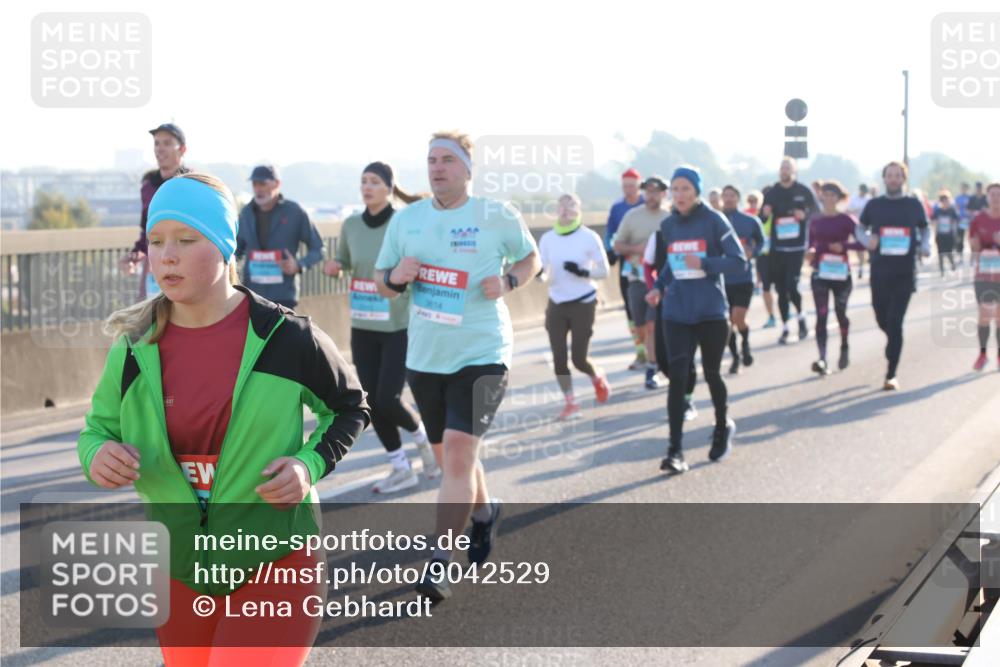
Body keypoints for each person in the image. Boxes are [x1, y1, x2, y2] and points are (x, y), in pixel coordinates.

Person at [79, 172, 371, 666]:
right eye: (155, 240)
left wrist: (308, 466)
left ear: (223, 246)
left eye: (186, 240)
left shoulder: (287, 336)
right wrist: (98, 456)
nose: (166, 255)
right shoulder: (133, 346)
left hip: (275, 560)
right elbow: (96, 432)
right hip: (179, 569)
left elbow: (349, 408)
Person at [374, 131, 541, 602]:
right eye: (432, 160)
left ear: (468, 168)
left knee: (460, 453)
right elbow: (381, 283)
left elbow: (532, 258)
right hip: (426, 357)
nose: (438, 167)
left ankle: (440, 560)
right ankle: (485, 513)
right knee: (453, 461)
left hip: (483, 353)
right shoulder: (408, 221)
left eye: (448, 159)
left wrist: (508, 279)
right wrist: (394, 277)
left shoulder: (496, 215)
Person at [322, 162, 439, 493]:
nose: (367, 187)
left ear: (389, 188)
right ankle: (401, 467)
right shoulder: (351, 225)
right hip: (363, 324)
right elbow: (344, 262)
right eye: (363, 181)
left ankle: (422, 439)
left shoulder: (402, 224)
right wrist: (335, 267)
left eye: (374, 181)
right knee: (371, 402)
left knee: (388, 398)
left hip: (399, 324)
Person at [646, 166, 746, 474]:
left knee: (712, 373)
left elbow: (738, 261)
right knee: (678, 376)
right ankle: (675, 451)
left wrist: (704, 263)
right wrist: (659, 288)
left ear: (697, 191)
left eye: (685, 189)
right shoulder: (668, 225)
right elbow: (670, 265)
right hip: (676, 311)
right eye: (674, 190)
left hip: (710, 312)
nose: (679, 195)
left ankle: (721, 426)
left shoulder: (714, 221)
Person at [539, 193, 612, 419]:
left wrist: (583, 272)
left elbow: (605, 271)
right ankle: (571, 403)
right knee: (558, 358)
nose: (565, 211)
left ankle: (596, 376)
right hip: (557, 303)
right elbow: (543, 270)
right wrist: (538, 275)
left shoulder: (588, 237)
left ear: (579, 211)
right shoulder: (548, 239)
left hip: (583, 301)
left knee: (579, 359)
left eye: (571, 207)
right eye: (561, 207)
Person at [859, 161, 931, 390]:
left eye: (897, 175)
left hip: (904, 272)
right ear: (884, 178)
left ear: (904, 179)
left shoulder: (913, 204)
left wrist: (926, 245)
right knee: (882, 319)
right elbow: (859, 227)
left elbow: (925, 228)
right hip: (879, 271)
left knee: (895, 321)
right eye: (889, 175)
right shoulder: (874, 205)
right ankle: (892, 343)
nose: (893, 179)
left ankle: (891, 373)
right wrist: (866, 240)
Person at [235, 165, 325, 309]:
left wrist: (299, 265)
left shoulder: (295, 212)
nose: (258, 188)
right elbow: (235, 252)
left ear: (277, 184)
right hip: (252, 296)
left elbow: (318, 249)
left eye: (262, 183)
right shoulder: (246, 213)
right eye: (255, 184)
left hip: (283, 298)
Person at [122, 123, 190, 300]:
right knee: (151, 323)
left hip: (185, 268)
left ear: (182, 149)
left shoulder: (194, 185)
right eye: (157, 143)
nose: (160, 149)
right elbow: (147, 232)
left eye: (167, 143)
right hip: (153, 271)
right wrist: (135, 255)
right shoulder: (148, 185)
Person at [614, 176, 671, 389]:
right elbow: (618, 245)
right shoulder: (632, 216)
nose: (651, 195)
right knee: (640, 326)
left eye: (656, 192)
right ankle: (653, 358)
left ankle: (652, 367)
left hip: (661, 280)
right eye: (648, 191)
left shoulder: (670, 218)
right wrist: (640, 250)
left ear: (664, 194)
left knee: (652, 323)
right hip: (637, 277)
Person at [806, 181, 866, 375]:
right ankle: (822, 358)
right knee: (821, 315)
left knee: (840, 312)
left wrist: (845, 247)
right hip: (820, 273)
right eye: (825, 194)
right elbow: (810, 244)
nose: (829, 198)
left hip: (841, 274)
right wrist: (811, 252)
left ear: (839, 198)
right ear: (821, 197)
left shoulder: (847, 220)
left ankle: (844, 346)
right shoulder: (815, 220)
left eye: (833, 195)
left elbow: (863, 243)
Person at [761, 157, 817, 343]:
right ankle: (785, 327)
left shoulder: (803, 190)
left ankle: (801, 316)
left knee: (792, 286)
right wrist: (765, 213)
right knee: (780, 289)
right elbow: (761, 217)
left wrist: (805, 215)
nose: (784, 171)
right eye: (782, 168)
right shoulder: (772, 192)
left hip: (796, 247)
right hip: (778, 248)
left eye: (788, 168)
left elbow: (816, 212)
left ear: (794, 171)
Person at [605, 168, 647, 369]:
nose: (628, 190)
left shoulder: (646, 204)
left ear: (639, 186)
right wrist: (610, 251)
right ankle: (640, 352)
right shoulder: (617, 208)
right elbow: (610, 234)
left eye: (632, 186)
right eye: (625, 186)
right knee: (632, 310)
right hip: (627, 263)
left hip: (649, 263)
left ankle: (655, 349)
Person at [720, 185, 765, 374]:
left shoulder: (750, 221)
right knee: (728, 322)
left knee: (738, 318)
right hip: (723, 279)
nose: (729, 199)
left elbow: (762, 242)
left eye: (732, 196)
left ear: (738, 199)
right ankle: (736, 356)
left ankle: (745, 343)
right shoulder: (716, 221)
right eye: (726, 196)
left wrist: (752, 252)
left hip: (744, 277)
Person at [968, 183, 1000, 371]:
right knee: (984, 315)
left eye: (998, 195)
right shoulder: (978, 220)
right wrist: (975, 246)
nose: (995, 198)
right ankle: (982, 354)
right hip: (984, 275)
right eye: (992, 195)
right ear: (987, 198)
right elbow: (974, 247)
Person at [756, 185, 778, 328]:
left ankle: (785, 309)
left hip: (779, 255)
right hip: (763, 257)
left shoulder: (779, 214)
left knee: (783, 287)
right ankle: (771, 316)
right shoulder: (757, 218)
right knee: (766, 288)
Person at [932, 191, 960, 276]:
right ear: (941, 202)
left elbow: (957, 220)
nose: (945, 203)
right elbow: (932, 220)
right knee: (940, 253)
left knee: (949, 252)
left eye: (947, 201)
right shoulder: (937, 211)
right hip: (940, 235)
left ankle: (952, 265)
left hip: (949, 235)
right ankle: (942, 271)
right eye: (943, 201)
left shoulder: (952, 211)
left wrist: (954, 229)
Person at [847, 183, 872, 279]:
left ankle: (868, 264)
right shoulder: (854, 198)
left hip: (867, 226)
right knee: (859, 247)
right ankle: (861, 266)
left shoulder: (869, 199)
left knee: (869, 246)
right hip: (856, 226)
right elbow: (849, 210)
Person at [955, 182, 972, 266]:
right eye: (962, 188)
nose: (964, 189)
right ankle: (960, 257)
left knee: (970, 239)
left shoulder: (970, 198)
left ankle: (972, 257)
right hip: (961, 221)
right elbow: (956, 208)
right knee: (960, 239)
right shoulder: (958, 198)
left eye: (965, 188)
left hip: (969, 221)